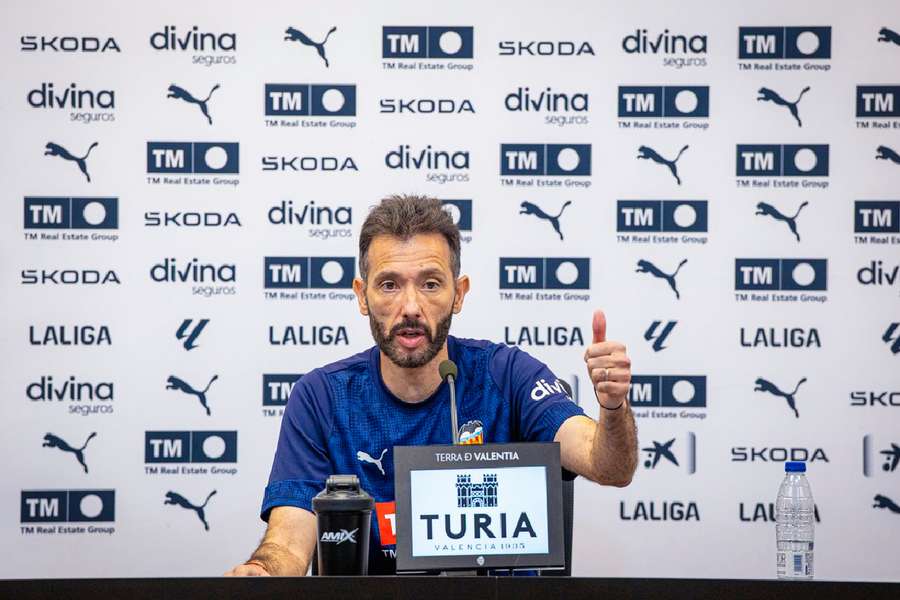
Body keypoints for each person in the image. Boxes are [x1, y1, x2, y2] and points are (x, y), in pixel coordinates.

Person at [226, 195, 637, 576]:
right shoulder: (322, 397)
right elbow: (290, 544)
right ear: (361, 296)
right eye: (389, 284)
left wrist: (614, 408)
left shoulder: (508, 375)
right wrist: (261, 572)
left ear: (458, 294)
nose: (410, 308)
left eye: (430, 283)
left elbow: (609, 465)